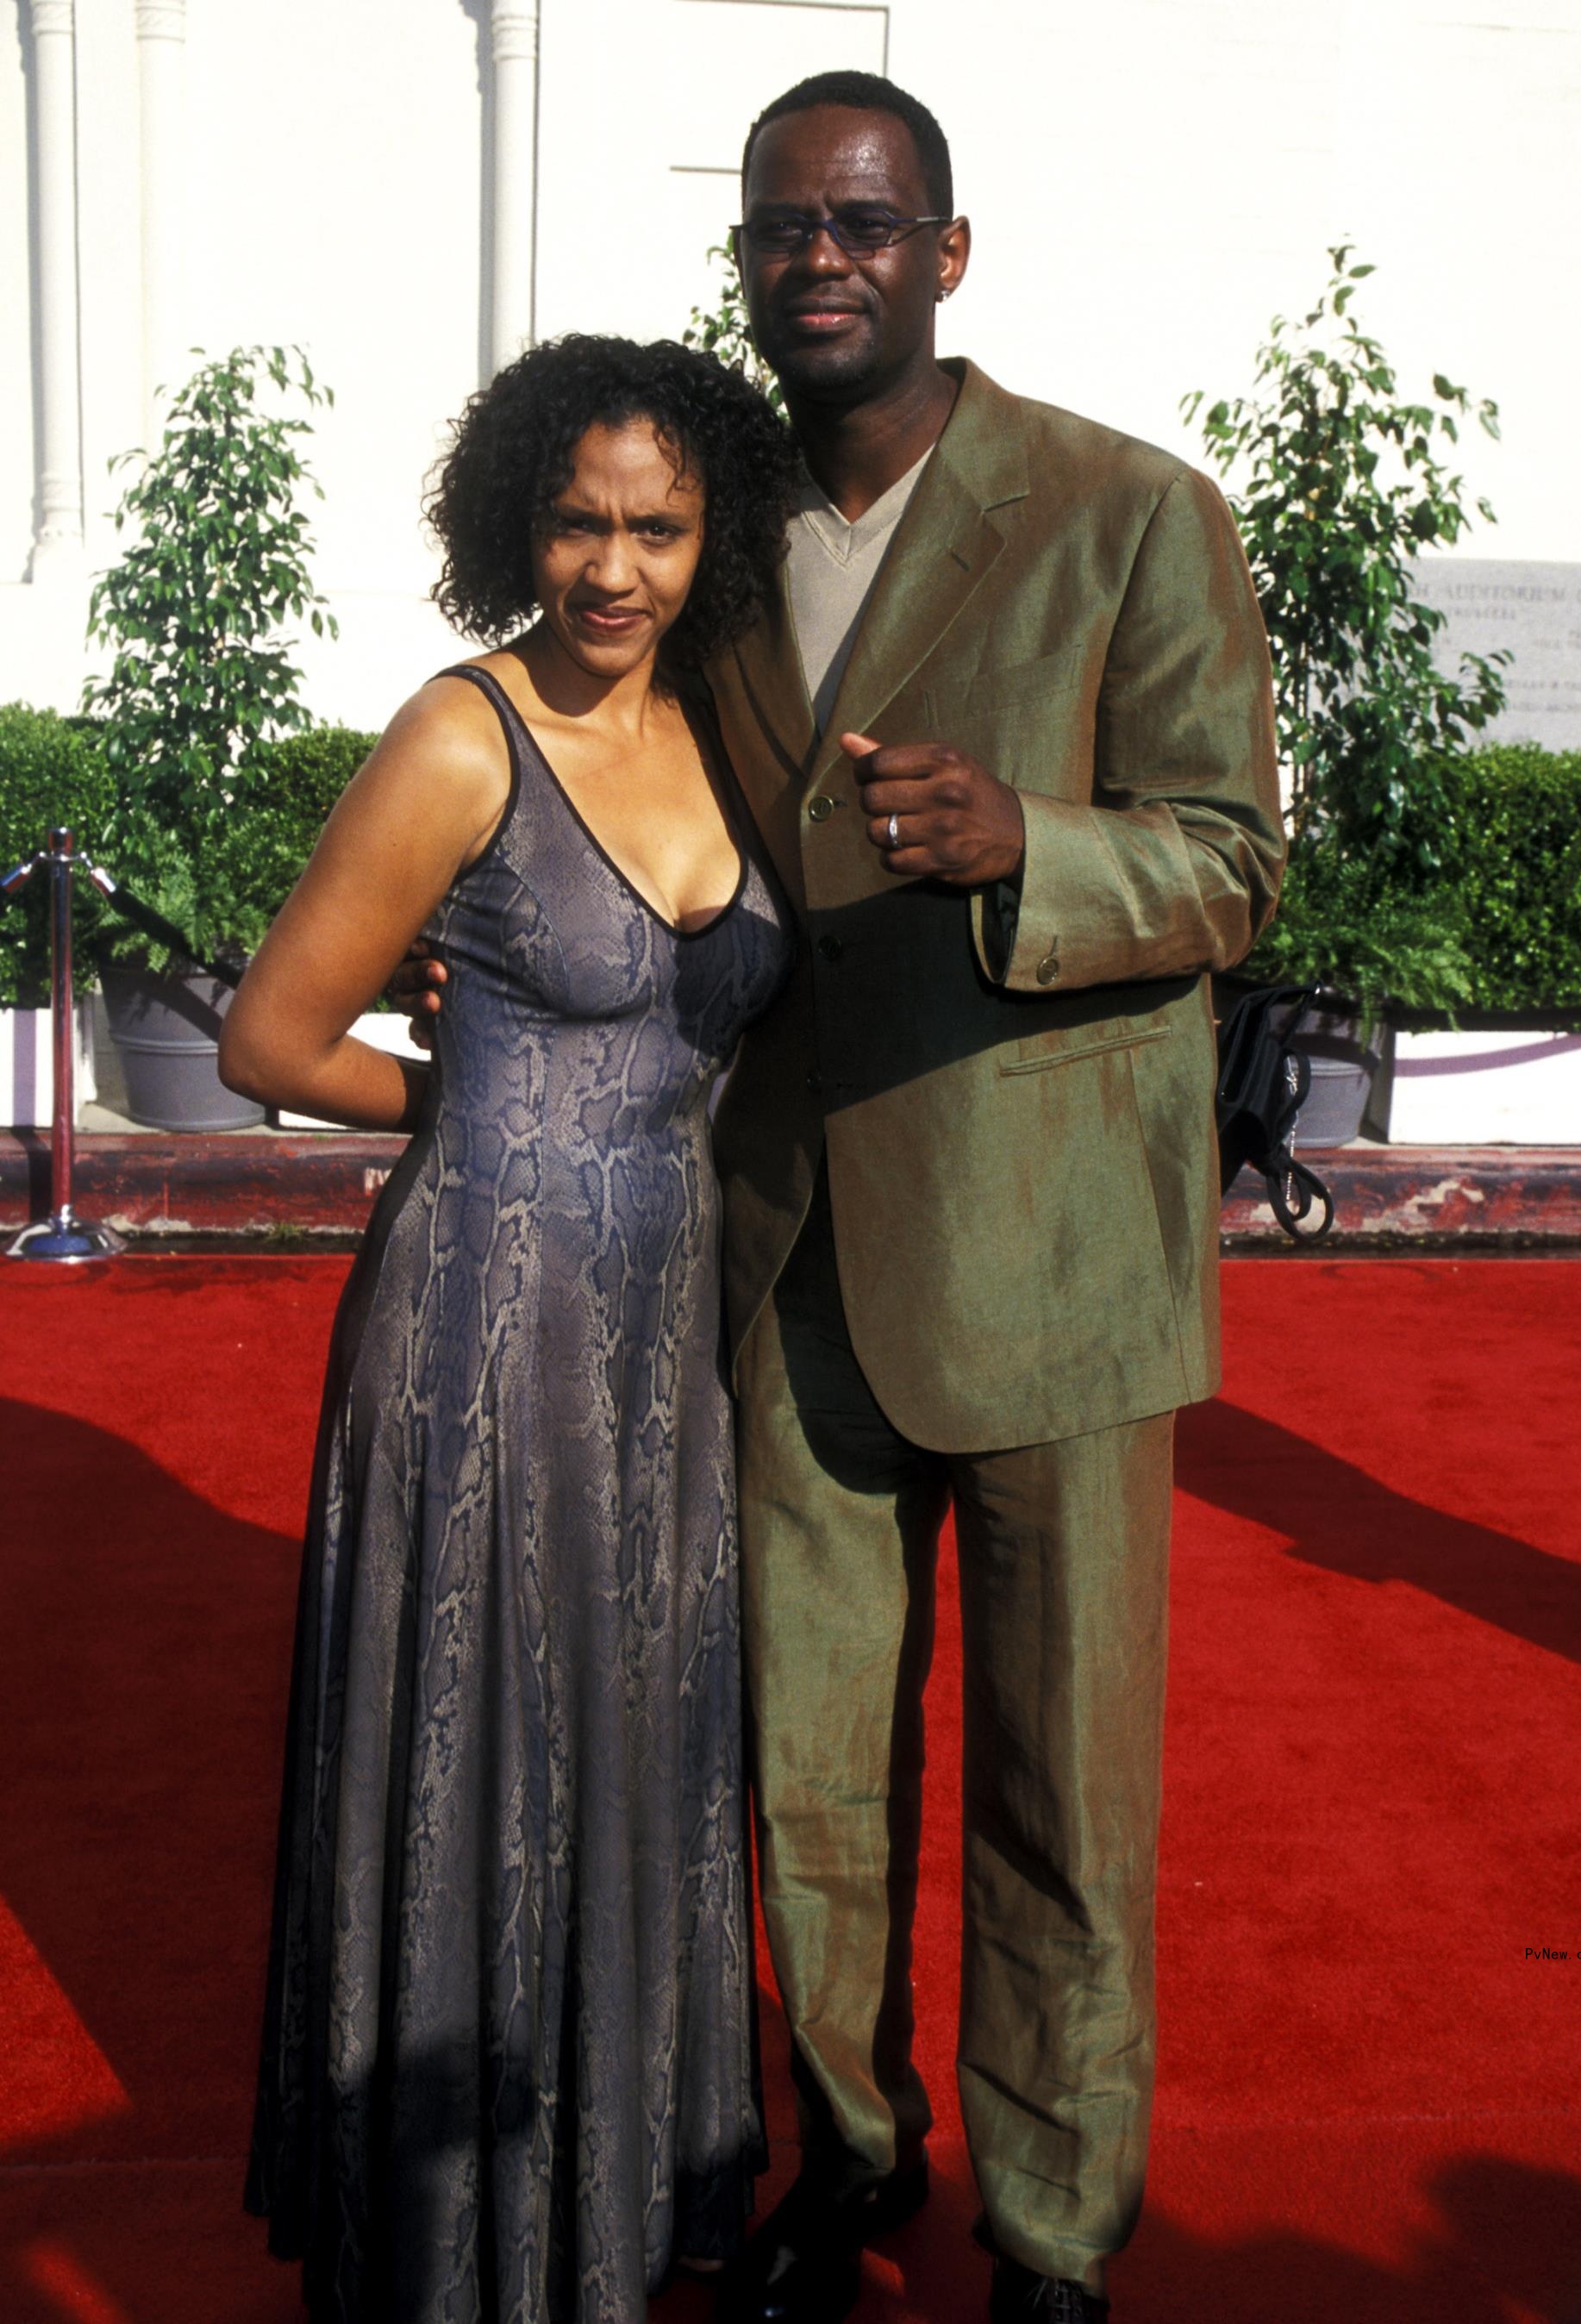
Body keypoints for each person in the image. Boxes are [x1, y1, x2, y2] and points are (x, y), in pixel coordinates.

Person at [400, 69, 1285, 2324]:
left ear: (947, 254)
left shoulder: (1126, 515)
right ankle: (850, 2151)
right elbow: (603, 763)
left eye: (869, 223)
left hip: (1061, 1276)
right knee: (806, 1776)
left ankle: (1058, 2239)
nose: (824, 254)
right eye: (788, 222)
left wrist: (1030, 848)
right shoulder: (713, 528)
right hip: (782, 1257)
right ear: (750, 257)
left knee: (1059, 1810)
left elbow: (1235, 862)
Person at [219, 335, 798, 2323]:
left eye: (655, 523)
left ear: (711, 536)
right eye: (577, 518)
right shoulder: (462, 736)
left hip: (663, 1347)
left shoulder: (724, 728)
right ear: (516, 524)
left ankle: (602, 2207)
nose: (613, 565)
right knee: (484, 1753)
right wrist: (461, 1099)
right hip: (478, 1327)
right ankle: (456, 2248)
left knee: (629, 1749)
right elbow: (269, 1039)